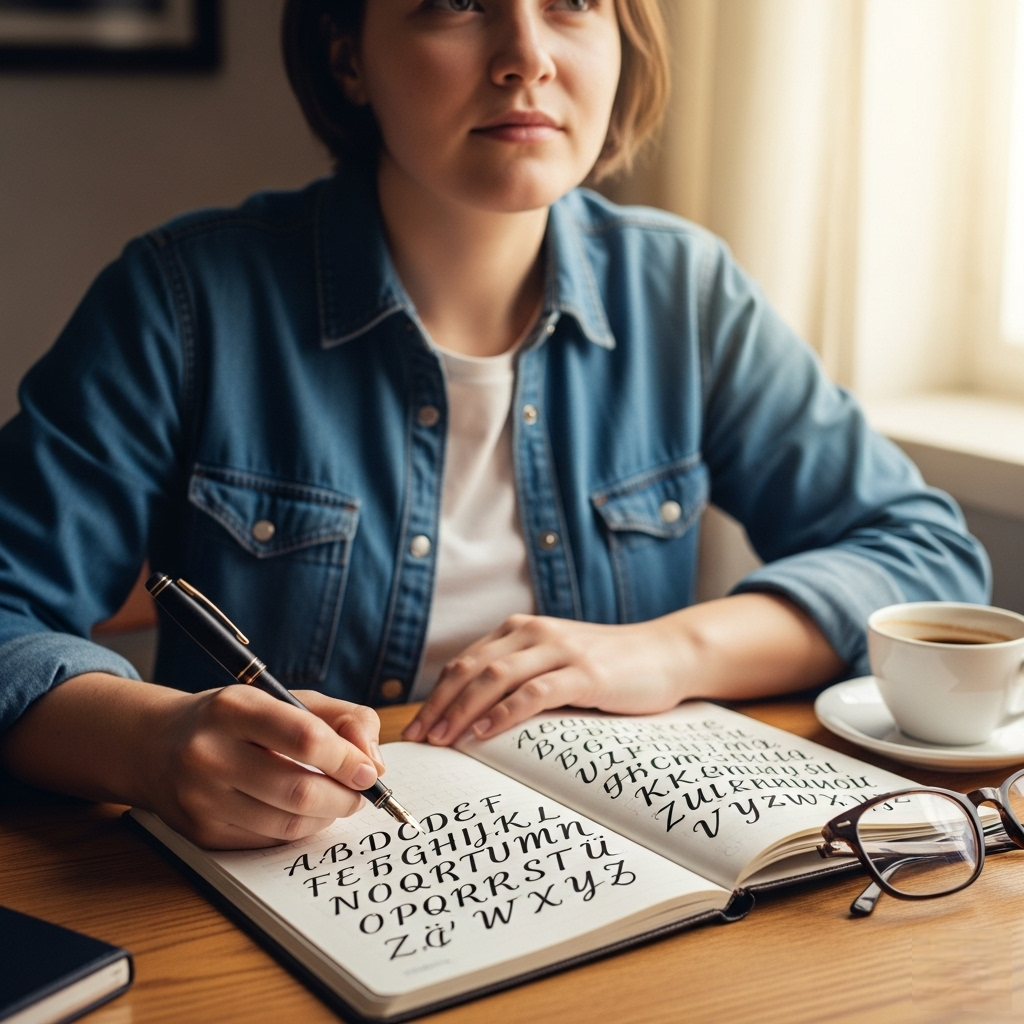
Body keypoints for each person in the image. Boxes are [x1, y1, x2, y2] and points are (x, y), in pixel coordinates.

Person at [0, 0, 988, 849]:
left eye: (572, 1)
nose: (527, 56)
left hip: (601, 886)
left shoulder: (683, 294)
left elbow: (924, 556)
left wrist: (663, 650)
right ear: (349, 53)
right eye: (453, 1)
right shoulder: (182, 302)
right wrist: (152, 744)